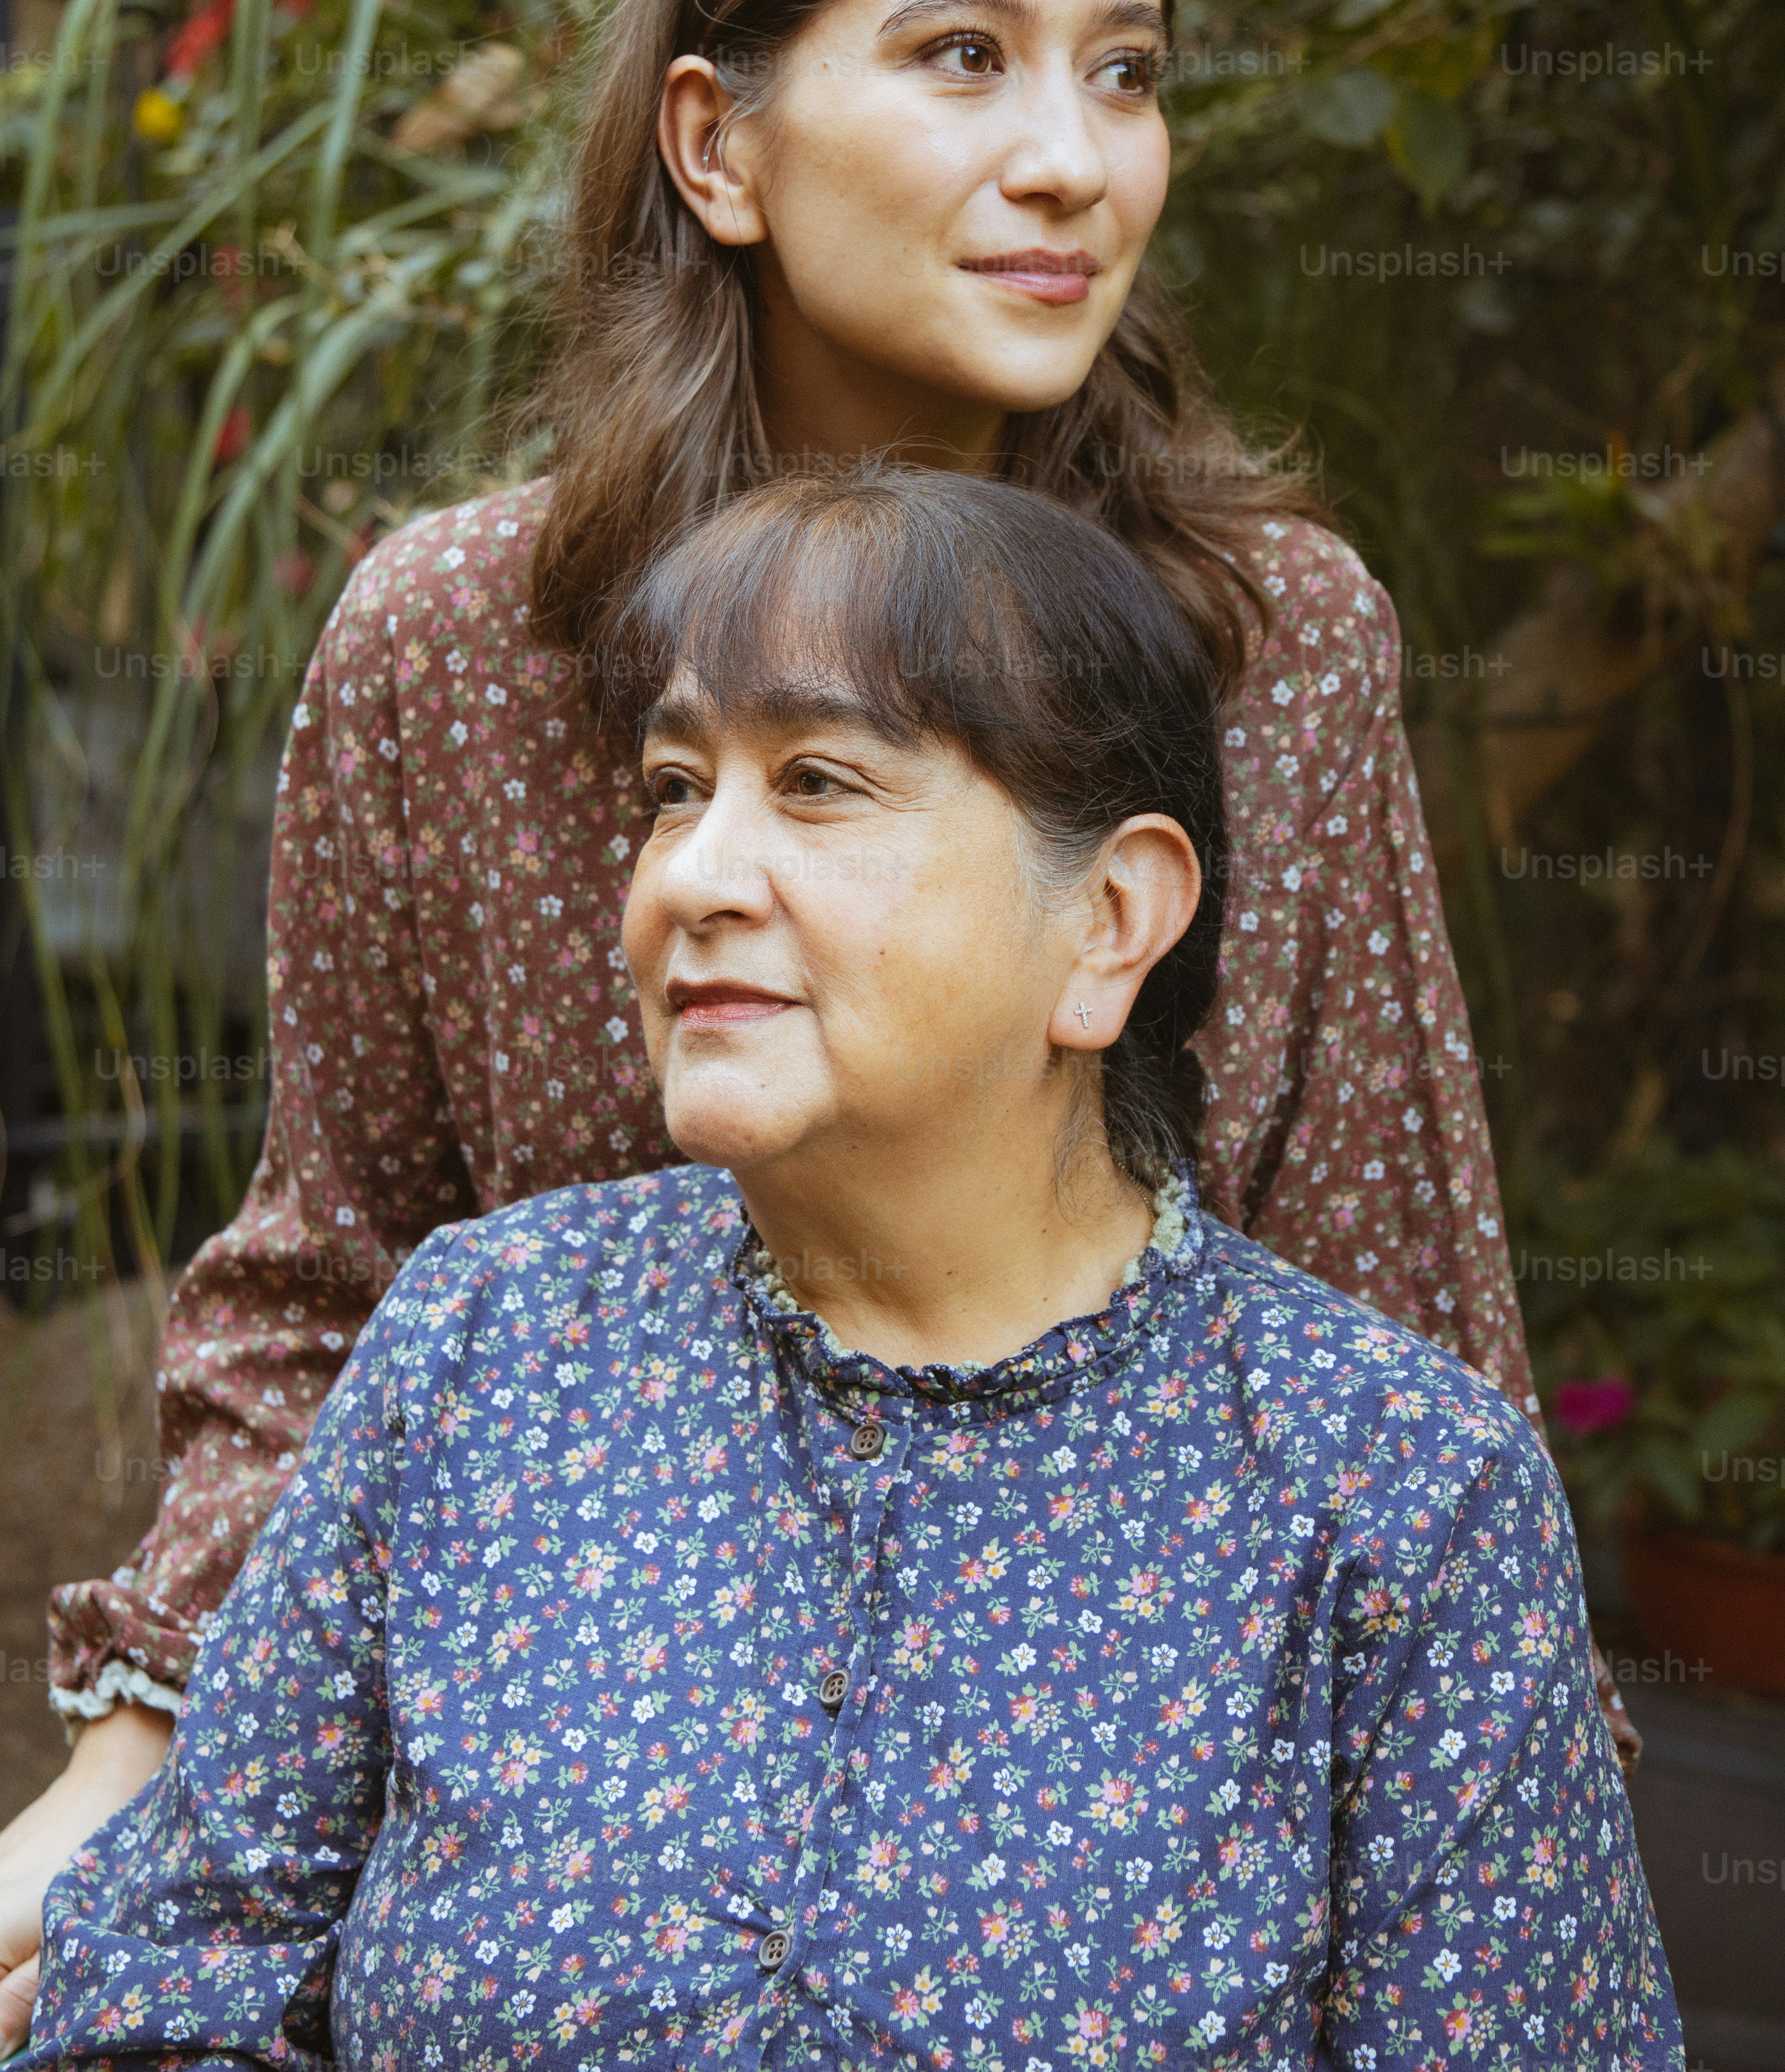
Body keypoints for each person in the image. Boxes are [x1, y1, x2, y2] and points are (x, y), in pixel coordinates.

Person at [0, 0, 1635, 2044]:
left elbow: (1378, 1281)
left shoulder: (1269, 645)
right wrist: (138, 1758)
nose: (1073, 161)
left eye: (1130, 73)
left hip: (1117, 1828)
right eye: (964, 58)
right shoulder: (461, 643)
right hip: (546, 1825)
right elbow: (327, 1282)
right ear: (719, 141)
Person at [16, 471, 1682, 2072]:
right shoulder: (479, 1345)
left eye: (818, 782)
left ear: (1110, 918)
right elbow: (168, 1991)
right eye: (677, 788)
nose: (695, 878)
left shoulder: (1401, 1499)